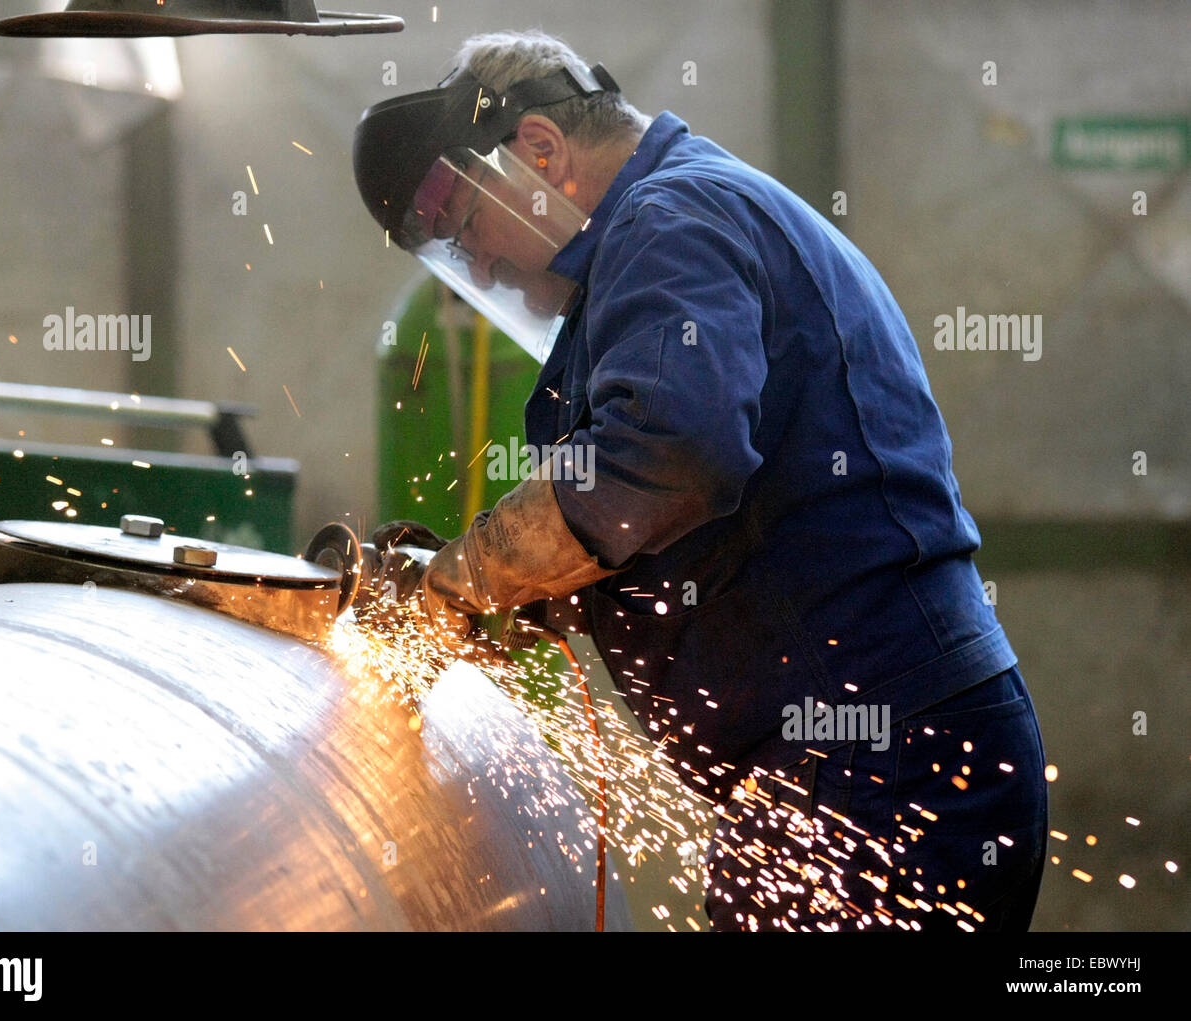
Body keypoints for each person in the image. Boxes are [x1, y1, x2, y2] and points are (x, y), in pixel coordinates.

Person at [349, 29, 1048, 931]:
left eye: (468, 229)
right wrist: (520, 598)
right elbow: (681, 522)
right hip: (849, 755)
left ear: (540, 152)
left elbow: (664, 460)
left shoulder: (670, 224)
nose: (477, 268)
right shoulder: (676, 224)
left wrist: (462, 581)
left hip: (877, 758)